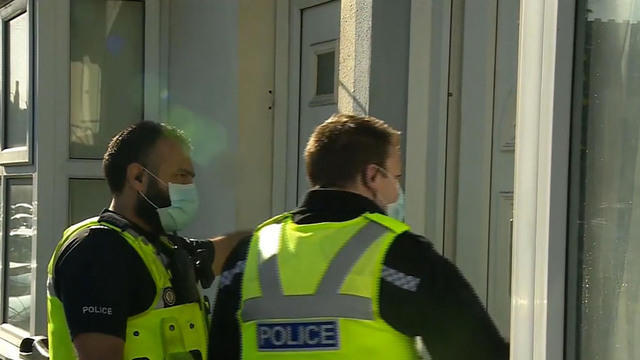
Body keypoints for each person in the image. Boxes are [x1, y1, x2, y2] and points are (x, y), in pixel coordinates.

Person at [209, 114, 509, 359]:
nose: (398, 191)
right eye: (397, 177)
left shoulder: (250, 254)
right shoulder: (400, 256)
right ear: (372, 176)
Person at [47, 121, 242, 360]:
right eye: (180, 176)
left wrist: (280, 233)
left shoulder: (160, 248)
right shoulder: (97, 251)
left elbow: (225, 249)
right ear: (138, 177)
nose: (189, 188)